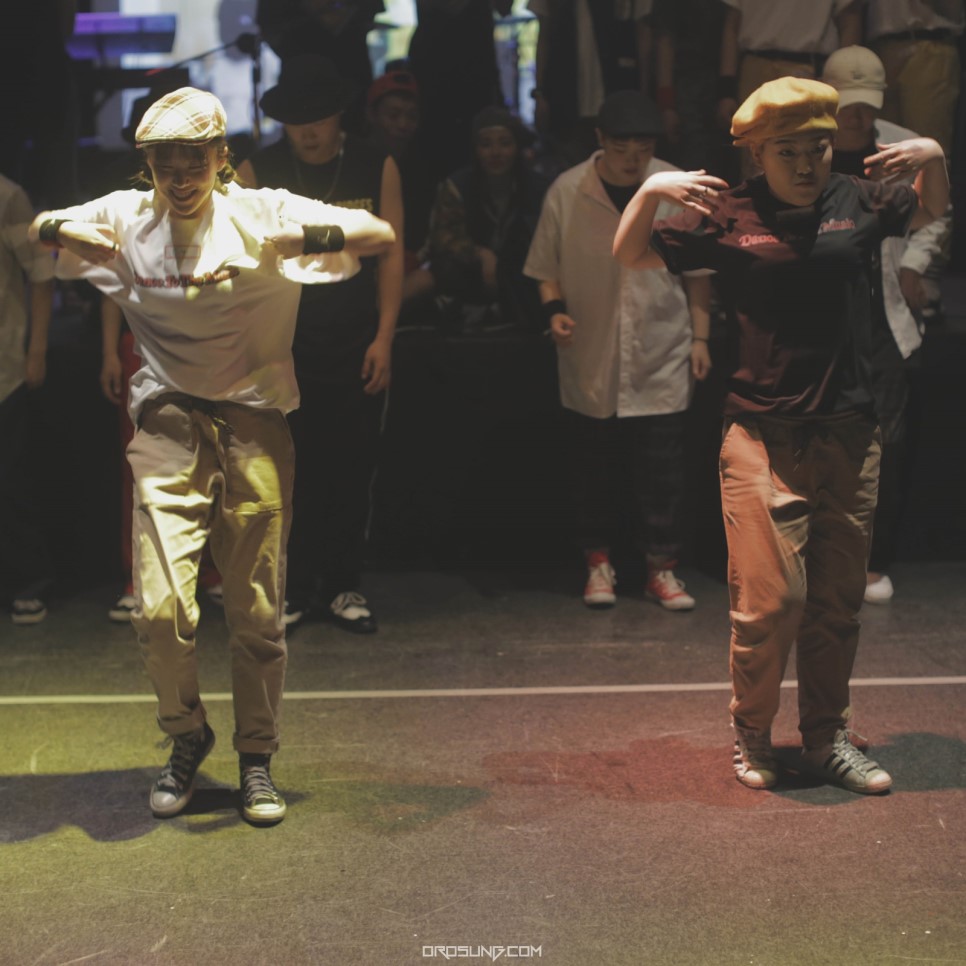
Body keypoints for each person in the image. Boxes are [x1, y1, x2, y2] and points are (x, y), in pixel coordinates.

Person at [30, 87, 395, 823]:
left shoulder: (261, 213)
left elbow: (378, 233)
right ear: (148, 167)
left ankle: (256, 756)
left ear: (221, 157)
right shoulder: (126, 217)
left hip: (254, 417)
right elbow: (29, 227)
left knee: (255, 607)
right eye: (165, 165)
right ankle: (187, 733)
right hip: (168, 417)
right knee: (159, 607)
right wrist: (59, 228)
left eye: (193, 162)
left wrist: (307, 239)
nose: (180, 178)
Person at [614, 76, 948, 793]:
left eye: (818, 148)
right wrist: (650, 191)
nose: (806, 164)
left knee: (836, 604)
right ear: (757, 153)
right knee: (773, 603)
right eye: (787, 151)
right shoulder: (730, 215)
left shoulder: (855, 200)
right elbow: (631, 254)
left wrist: (934, 155)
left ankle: (827, 738)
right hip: (761, 435)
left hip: (849, 431)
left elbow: (931, 209)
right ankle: (753, 732)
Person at [525, 90, 712, 612]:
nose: (633, 157)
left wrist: (701, 338)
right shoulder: (568, 190)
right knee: (592, 468)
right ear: (600, 140)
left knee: (663, 471)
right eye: (622, 146)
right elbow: (544, 268)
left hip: (661, 346)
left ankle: (662, 569)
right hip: (591, 349)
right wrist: (553, 311)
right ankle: (598, 563)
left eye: (643, 147)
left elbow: (698, 274)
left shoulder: (676, 186)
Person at [237, 54, 404, 633]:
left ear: (339, 116)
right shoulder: (258, 167)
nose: (308, 131)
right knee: (287, 470)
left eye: (319, 118)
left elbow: (392, 252)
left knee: (351, 465)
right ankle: (296, 585)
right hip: (284, 342)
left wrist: (384, 336)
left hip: (356, 337)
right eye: (296, 121)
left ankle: (343, 583)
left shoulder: (373, 162)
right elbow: (242, 266)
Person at [821, 45, 951, 604]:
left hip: (884, 317)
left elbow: (936, 213)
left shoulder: (903, 145)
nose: (857, 116)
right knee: (822, 441)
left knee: (886, 445)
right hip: (820, 318)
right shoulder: (808, 149)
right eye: (847, 105)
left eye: (866, 105)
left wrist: (913, 263)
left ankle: (874, 560)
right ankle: (823, 556)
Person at [425, 106, 548, 334]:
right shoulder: (458, 186)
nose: (496, 152)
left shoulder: (537, 187)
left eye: (505, 143)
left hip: (520, 274)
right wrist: (480, 254)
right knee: (444, 269)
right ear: (476, 149)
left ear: (517, 147)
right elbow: (442, 237)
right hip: (471, 273)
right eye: (486, 144)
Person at [0, 174, 55, 624]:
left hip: (5, 364)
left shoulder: (7, 196)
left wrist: (36, 350)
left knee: (13, 478)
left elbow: (41, 272)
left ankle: (28, 583)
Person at [528, 0, 655, 170]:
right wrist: (540, 93)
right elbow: (544, 35)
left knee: (622, 167)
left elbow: (643, 33)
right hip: (566, 99)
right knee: (571, 169)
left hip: (619, 94)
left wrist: (644, 95)